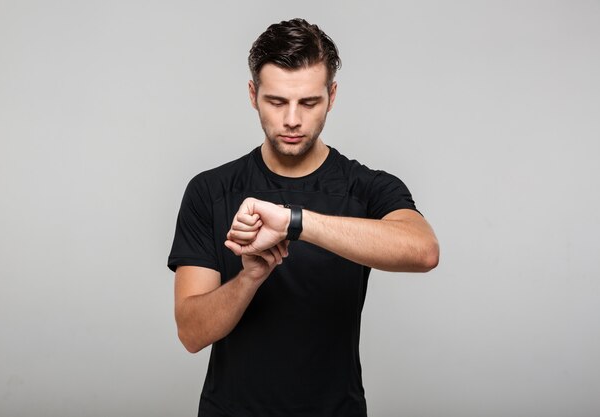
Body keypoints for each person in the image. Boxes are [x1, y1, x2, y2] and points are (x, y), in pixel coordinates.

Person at [168, 18, 439, 417]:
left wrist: (296, 222)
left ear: (331, 96)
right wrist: (251, 276)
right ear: (252, 94)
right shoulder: (210, 191)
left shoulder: (365, 187)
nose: (292, 119)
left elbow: (423, 251)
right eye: (276, 102)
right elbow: (191, 333)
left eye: (308, 102)